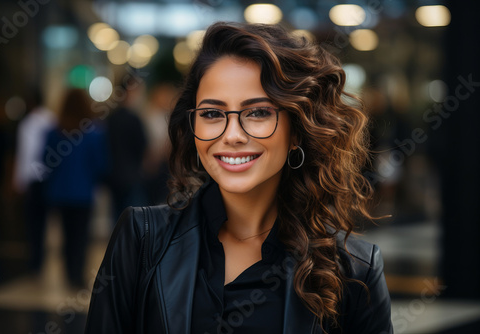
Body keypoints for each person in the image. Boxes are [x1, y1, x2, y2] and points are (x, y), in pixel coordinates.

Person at [85, 22, 393, 333]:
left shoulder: (355, 270)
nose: (232, 135)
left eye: (258, 112)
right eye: (212, 113)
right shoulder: (141, 240)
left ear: (297, 130)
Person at [43, 88, 108, 289]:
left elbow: (47, 161)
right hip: (83, 192)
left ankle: (68, 274)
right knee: (81, 236)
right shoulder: (94, 132)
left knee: (66, 234)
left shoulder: (54, 131)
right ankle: (77, 276)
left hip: (60, 192)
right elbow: (101, 164)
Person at [13, 89, 56, 277]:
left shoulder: (28, 123)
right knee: (46, 222)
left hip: (33, 178)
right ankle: (42, 260)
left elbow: (26, 154)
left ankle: (35, 263)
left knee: (34, 224)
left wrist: (19, 181)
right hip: (49, 176)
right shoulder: (52, 119)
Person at [105, 75, 149, 221]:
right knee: (133, 220)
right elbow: (143, 147)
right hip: (132, 176)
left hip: (113, 175)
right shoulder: (134, 119)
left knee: (117, 219)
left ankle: (118, 244)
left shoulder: (111, 118)